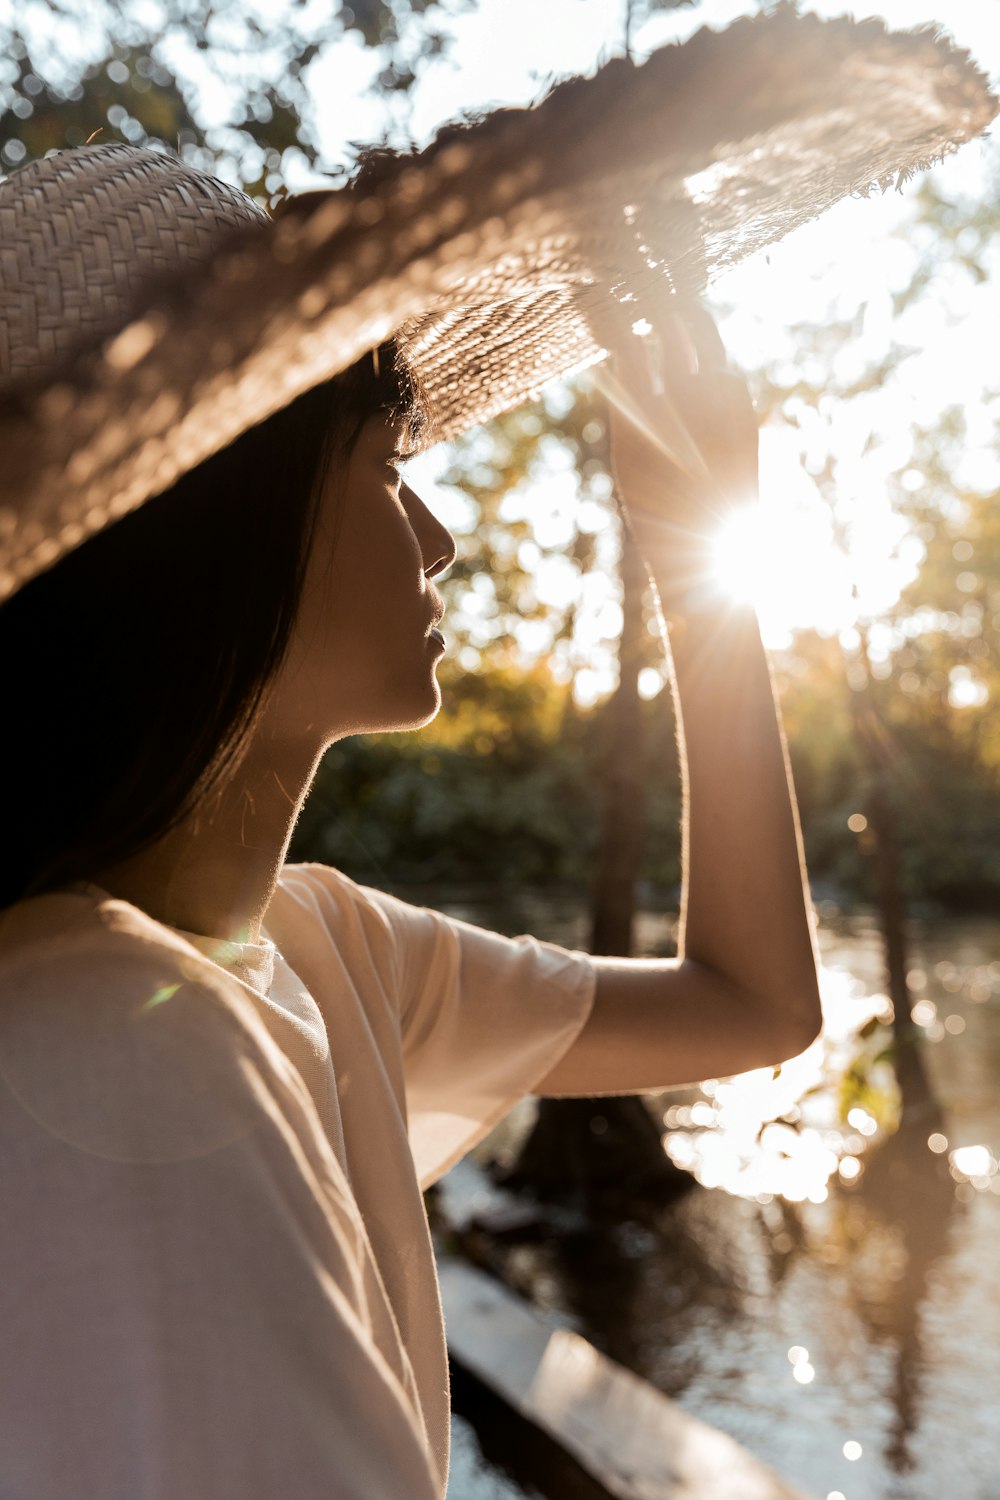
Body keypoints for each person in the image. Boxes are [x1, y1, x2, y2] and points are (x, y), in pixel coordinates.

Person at [0, 143, 821, 1499]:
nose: (437, 536)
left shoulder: (327, 951)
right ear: (225, 531)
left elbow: (751, 1007)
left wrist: (697, 553)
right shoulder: (105, 1042)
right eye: (388, 465)